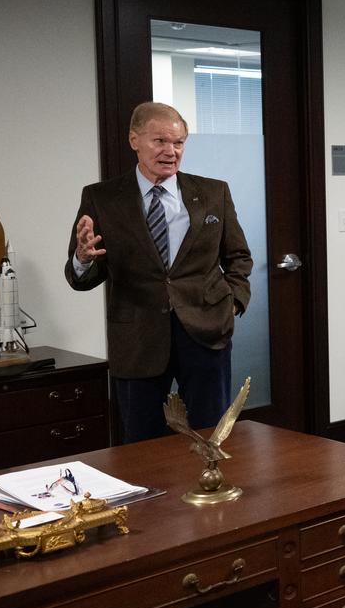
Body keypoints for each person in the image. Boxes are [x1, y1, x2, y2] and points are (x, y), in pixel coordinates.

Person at [66, 101, 251, 444]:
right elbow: (80, 277)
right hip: (137, 338)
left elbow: (238, 256)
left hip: (206, 330)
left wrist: (233, 302)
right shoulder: (102, 198)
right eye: (160, 142)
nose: (171, 151)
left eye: (178, 143)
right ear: (134, 140)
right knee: (141, 443)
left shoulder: (213, 193)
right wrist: (83, 257)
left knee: (213, 435)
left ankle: (212, 493)